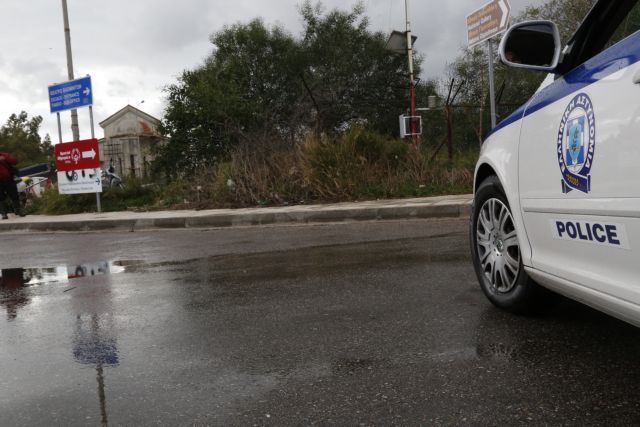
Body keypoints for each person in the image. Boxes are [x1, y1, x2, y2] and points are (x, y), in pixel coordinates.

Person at [0, 151, 24, 219]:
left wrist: (5, 158)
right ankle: (3, 213)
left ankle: (18, 210)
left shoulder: (4, 155)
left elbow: (15, 161)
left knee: (14, 195)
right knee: (0, 198)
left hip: (9, 179)